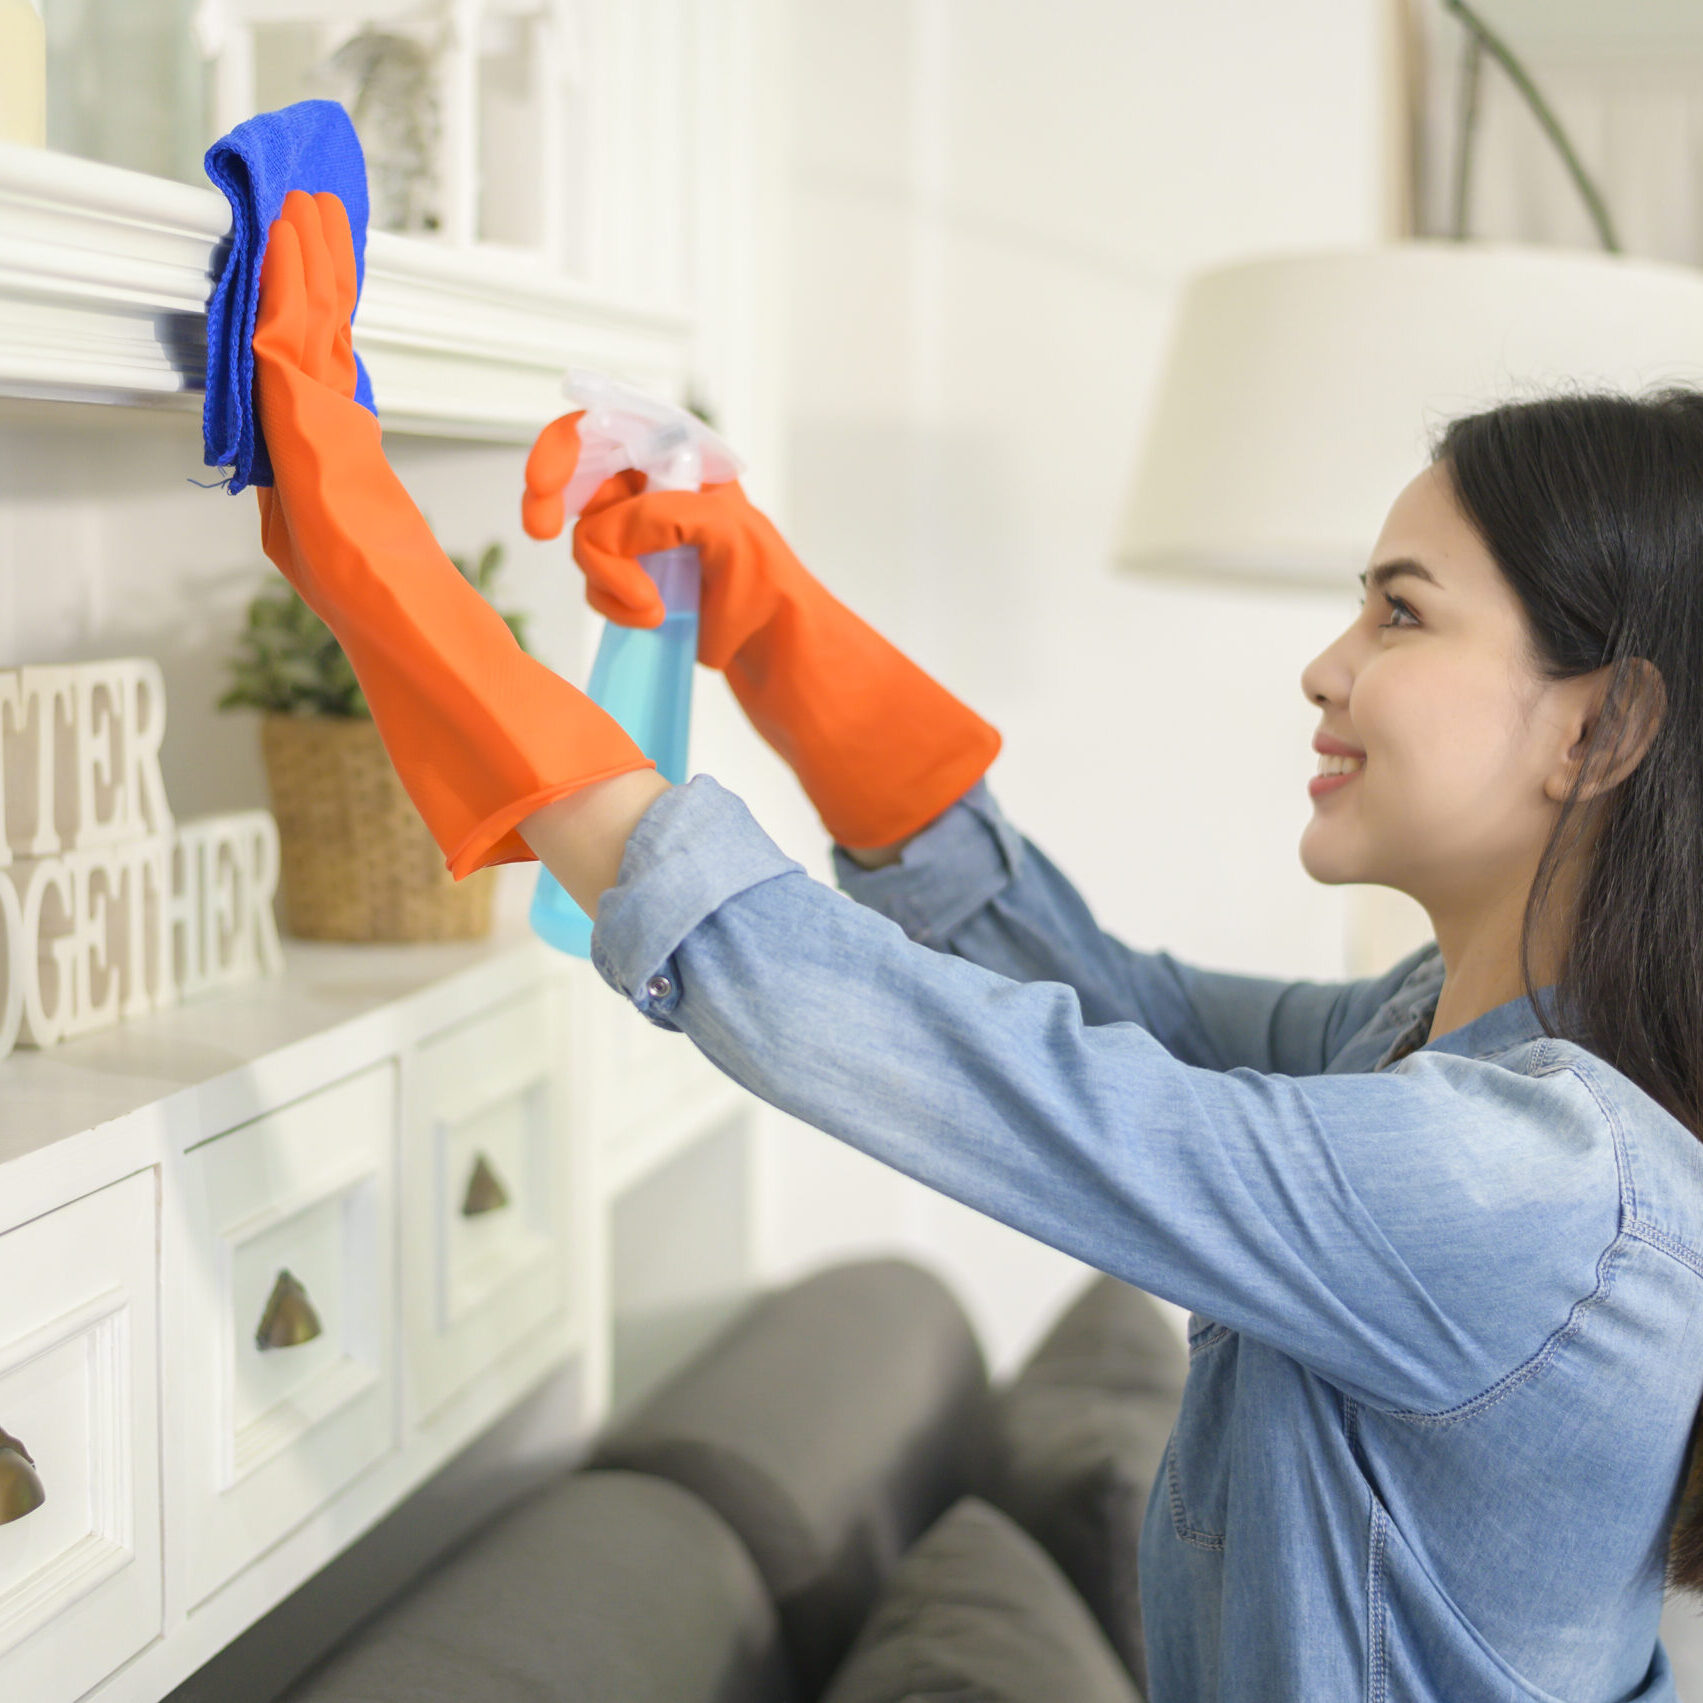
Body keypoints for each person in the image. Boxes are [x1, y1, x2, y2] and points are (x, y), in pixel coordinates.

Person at [252, 189, 1702, 1700]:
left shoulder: (1524, 1189)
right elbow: (1092, 998)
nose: (1324, 666)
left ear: (1600, 729)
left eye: (1400, 617)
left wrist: (382, 564)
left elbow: (1022, 1082)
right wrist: (767, 615)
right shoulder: (1428, 1043)